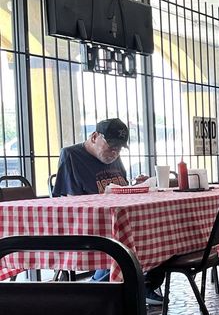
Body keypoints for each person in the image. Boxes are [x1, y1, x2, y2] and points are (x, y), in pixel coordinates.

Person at [52, 118, 164, 305]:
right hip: (90, 223)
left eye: (119, 148)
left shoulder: (114, 158)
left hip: (117, 221)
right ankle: (99, 290)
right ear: (94, 137)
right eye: (111, 146)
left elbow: (121, 189)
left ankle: (142, 285)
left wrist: (136, 186)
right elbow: (70, 202)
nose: (115, 152)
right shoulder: (72, 155)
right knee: (127, 238)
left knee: (158, 228)